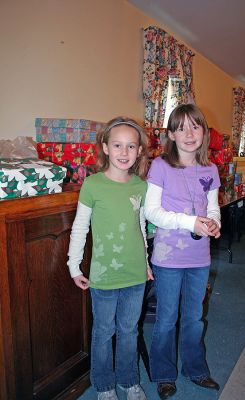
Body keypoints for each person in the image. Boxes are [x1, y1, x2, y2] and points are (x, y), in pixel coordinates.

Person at [67, 117, 153, 400]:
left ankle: (129, 381)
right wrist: (73, 265)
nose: (124, 152)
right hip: (103, 277)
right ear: (105, 147)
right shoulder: (92, 185)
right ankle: (104, 386)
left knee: (129, 331)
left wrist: (147, 262)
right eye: (117, 145)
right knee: (103, 333)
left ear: (139, 150)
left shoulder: (140, 186)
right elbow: (80, 227)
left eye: (131, 146)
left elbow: (141, 227)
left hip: (135, 275)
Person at [144, 103, 221, 400]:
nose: (189, 133)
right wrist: (190, 221)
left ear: (204, 131)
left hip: (199, 256)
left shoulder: (211, 169)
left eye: (195, 126)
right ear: (171, 135)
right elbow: (152, 212)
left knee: (193, 317)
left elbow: (212, 207)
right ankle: (164, 374)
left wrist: (213, 223)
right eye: (181, 128)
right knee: (166, 319)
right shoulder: (161, 166)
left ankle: (196, 369)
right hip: (168, 258)